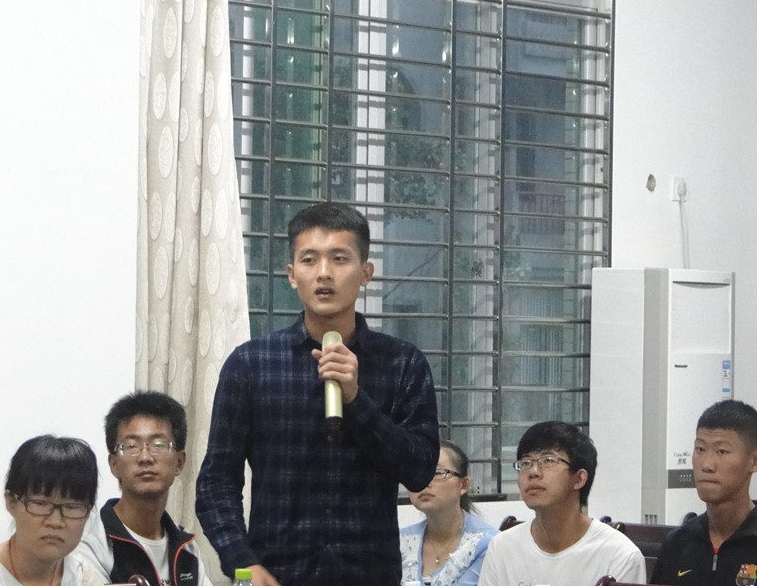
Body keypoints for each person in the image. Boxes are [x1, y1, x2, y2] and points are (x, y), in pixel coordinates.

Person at [196, 202, 440, 586]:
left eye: (339, 259)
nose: (324, 272)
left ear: (365, 273)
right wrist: (243, 564)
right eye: (309, 260)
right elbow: (215, 485)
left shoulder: (402, 362)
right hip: (275, 576)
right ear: (292, 275)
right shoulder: (251, 364)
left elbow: (420, 471)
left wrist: (357, 399)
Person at [478, 421, 646, 586]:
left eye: (548, 460)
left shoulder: (619, 556)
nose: (533, 472)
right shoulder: (502, 547)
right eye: (526, 463)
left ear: (579, 479)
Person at [77, 391, 212, 586]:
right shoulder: (91, 545)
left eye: (159, 444)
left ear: (179, 462)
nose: (145, 457)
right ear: (114, 464)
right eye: (131, 446)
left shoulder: (187, 550)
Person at [0, 435, 104, 585]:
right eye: (41, 503)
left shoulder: (84, 577)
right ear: (11, 502)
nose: (55, 522)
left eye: (72, 507)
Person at [651, 399, 757, 585]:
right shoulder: (677, 543)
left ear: (753, 461)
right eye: (700, 449)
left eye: (722, 451)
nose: (707, 465)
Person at [400, 441, 498, 586]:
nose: (424, 481)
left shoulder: (489, 544)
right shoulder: (400, 541)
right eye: (416, 473)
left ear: (463, 485)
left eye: (437, 473)